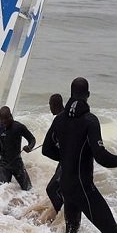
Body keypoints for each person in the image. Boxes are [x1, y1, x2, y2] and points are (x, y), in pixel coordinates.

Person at [42, 77, 117, 233]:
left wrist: (66, 158)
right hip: (83, 187)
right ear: (88, 95)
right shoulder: (90, 120)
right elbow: (101, 157)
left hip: (66, 186)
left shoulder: (59, 120)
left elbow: (46, 149)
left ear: (70, 94)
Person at [0, 105, 36, 190]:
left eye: (7, 119)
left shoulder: (18, 127)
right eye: (3, 120)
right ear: (0, 118)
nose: (5, 122)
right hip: (4, 164)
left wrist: (29, 147)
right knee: (2, 191)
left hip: (17, 163)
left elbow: (32, 139)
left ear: (10, 116)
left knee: (29, 189)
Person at [45, 93, 64, 221]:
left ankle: (60, 216)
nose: (50, 107)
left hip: (66, 161)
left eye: (50, 105)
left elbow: (46, 149)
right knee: (60, 189)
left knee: (51, 189)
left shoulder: (59, 119)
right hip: (67, 160)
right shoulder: (66, 116)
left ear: (54, 105)